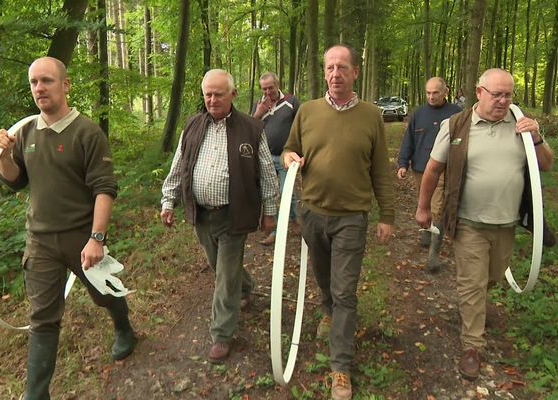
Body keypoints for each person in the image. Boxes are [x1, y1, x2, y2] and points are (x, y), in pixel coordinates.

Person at [0, 56, 137, 399]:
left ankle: (124, 329)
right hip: (40, 241)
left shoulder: (87, 132)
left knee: (104, 295)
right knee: (42, 317)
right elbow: (15, 182)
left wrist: (96, 238)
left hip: (82, 237)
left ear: (65, 85)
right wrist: (6, 156)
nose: (39, 88)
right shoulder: (24, 133)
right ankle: (36, 394)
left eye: (47, 81)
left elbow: (104, 188)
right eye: (34, 83)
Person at [416, 68, 553, 380]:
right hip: (468, 222)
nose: (503, 101)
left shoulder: (521, 124)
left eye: (508, 95)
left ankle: (472, 307)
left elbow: (545, 164)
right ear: (479, 92)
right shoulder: (457, 124)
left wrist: (537, 137)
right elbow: (433, 170)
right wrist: (423, 208)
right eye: (497, 94)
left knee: (491, 276)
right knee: (473, 282)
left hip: (506, 222)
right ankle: (471, 346)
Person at [282, 44, 394, 400]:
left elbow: (380, 170)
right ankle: (328, 311)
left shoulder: (372, 115)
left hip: (352, 216)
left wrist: (387, 215)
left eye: (342, 67)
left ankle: (340, 367)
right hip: (312, 212)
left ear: (355, 72)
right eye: (330, 67)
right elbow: (289, 147)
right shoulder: (308, 111)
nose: (335, 74)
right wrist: (288, 157)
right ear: (325, 72)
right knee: (324, 276)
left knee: (346, 290)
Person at [160, 69, 278, 363]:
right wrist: (168, 201)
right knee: (219, 265)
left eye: (218, 94)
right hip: (201, 214)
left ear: (233, 95)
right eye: (208, 94)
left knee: (224, 276)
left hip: (234, 214)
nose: (212, 100)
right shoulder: (192, 125)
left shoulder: (251, 128)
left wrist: (270, 212)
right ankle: (247, 287)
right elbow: (179, 165)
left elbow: (266, 172)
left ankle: (221, 334)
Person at [397, 77, 462, 272]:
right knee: (423, 203)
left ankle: (433, 254)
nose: (431, 96)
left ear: (445, 92)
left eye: (435, 92)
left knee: (437, 208)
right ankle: (426, 231)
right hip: (420, 167)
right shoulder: (419, 113)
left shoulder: (457, 114)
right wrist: (403, 163)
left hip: (444, 170)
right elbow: (409, 139)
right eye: (428, 93)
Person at [251, 71, 300, 245]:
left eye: (270, 88)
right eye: (264, 89)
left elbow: (300, 126)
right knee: (269, 194)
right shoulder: (259, 104)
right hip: (264, 158)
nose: (267, 92)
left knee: (288, 192)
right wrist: (258, 113)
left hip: (285, 157)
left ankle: (292, 220)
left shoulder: (291, 102)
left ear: (277, 85)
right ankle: (275, 229)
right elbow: (250, 128)